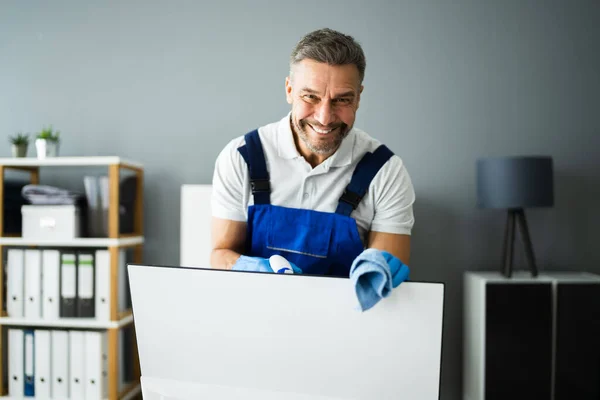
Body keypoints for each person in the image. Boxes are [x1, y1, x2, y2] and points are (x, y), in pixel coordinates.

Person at [210, 28, 415, 280]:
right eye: (310, 96)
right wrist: (246, 267)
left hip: (346, 316)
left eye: (342, 100)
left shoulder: (386, 171)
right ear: (289, 90)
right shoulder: (241, 157)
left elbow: (385, 274)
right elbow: (221, 253)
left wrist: (379, 276)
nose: (324, 118)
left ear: (359, 97)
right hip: (256, 310)